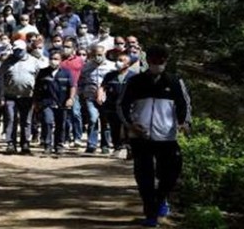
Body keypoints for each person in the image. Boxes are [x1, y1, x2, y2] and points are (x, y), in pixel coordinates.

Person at [118, 45, 191, 227]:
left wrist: (184, 122)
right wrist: (130, 125)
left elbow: (185, 105)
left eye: (160, 61)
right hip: (141, 137)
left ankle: (161, 198)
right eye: (153, 61)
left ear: (166, 61)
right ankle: (151, 213)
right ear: (147, 61)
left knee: (170, 174)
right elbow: (122, 105)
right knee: (144, 177)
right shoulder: (136, 81)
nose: (156, 64)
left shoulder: (175, 82)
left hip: (167, 137)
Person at [0, 39, 41, 155]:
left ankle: (25, 143)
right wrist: (1, 96)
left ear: (25, 49)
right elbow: (1, 79)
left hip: (27, 96)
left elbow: (38, 79)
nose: (18, 52)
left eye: (20, 50)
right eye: (16, 50)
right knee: (11, 119)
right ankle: (10, 144)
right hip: (10, 96)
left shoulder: (34, 62)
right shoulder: (7, 62)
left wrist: (37, 97)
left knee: (26, 121)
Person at [34, 50, 75, 154]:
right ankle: (47, 145)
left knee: (61, 125)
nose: (53, 61)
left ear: (61, 61)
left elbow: (72, 86)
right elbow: (36, 88)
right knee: (47, 122)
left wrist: (71, 98)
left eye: (56, 59)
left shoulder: (66, 72)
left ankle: (59, 145)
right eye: (51, 59)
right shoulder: (43, 72)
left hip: (62, 103)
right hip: (47, 103)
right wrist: (36, 102)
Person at [79, 44, 116, 153]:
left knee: (105, 121)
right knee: (93, 118)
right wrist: (81, 94)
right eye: (95, 55)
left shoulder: (111, 66)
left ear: (104, 54)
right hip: (90, 97)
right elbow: (81, 81)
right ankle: (91, 144)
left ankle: (105, 145)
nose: (97, 57)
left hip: (106, 98)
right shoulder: (86, 66)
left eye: (100, 55)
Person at [102, 53, 136, 159]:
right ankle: (117, 147)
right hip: (112, 106)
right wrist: (100, 95)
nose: (118, 62)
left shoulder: (134, 77)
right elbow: (103, 87)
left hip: (128, 107)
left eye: (121, 60)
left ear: (128, 64)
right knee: (114, 127)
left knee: (128, 128)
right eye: (118, 60)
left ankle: (130, 149)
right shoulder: (110, 75)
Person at [60, 38, 85, 147]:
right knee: (65, 116)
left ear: (74, 49)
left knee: (76, 113)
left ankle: (77, 137)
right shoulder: (59, 60)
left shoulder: (80, 60)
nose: (65, 49)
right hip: (61, 91)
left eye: (68, 47)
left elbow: (84, 74)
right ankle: (65, 138)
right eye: (64, 46)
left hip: (75, 91)